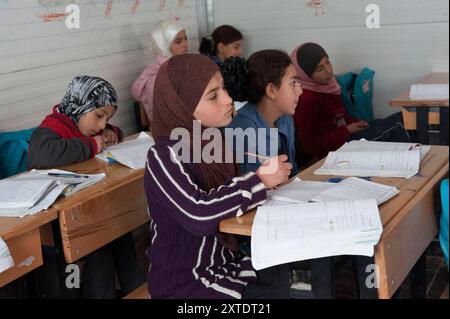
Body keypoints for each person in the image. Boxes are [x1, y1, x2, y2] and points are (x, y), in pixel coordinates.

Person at [144, 54, 292, 299]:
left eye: (224, 88)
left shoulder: (214, 143)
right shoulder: (163, 156)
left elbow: (230, 200)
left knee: (289, 277)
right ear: (182, 106)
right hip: (186, 285)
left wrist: (267, 186)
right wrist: (259, 182)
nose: (228, 99)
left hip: (226, 267)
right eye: (213, 96)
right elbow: (199, 214)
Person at [28, 75, 146, 298]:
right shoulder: (53, 127)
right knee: (99, 249)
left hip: (92, 210)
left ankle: (137, 289)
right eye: (99, 116)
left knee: (120, 233)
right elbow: (40, 154)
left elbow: (109, 131)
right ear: (79, 106)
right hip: (64, 222)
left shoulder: (86, 126)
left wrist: (112, 132)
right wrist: (91, 144)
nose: (101, 124)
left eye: (107, 118)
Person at [291, 42, 411, 160]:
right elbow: (310, 145)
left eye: (328, 62)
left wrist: (355, 123)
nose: (328, 71)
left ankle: (405, 165)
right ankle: (410, 166)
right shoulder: (306, 100)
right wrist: (347, 130)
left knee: (400, 119)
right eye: (319, 69)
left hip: (345, 139)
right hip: (333, 152)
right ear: (305, 75)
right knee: (396, 124)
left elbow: (339, 117)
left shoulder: (329, 87)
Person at [223, 50, 302, 175]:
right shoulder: (244, 129)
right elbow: (253, 184)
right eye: (293, 83)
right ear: (271, 90)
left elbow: (292, 171)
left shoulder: (285, 119)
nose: (299, 91)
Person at [132, 19, 189, 123]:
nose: (186, 45)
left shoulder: (184, 67)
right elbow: (164, 116)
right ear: (164, 45)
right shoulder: (157, 78)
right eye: (179, 41)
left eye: (186, 39)